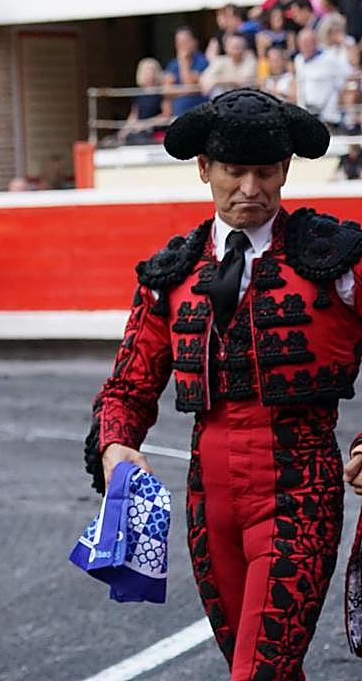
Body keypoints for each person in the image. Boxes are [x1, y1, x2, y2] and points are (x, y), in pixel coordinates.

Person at [84, 88, 362, 680]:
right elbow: (126, 389)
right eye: (235, 172)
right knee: (266, 667)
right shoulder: (172, 273)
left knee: (256, 673)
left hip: (300, 489)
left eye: (266, 173)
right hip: (207, 502)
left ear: (287, 169)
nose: (251, 190)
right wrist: (114, 445)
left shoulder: (337, 261)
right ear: (205, 169)